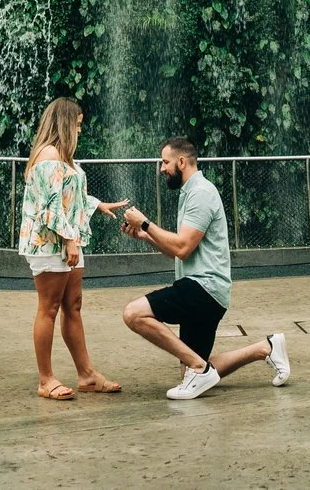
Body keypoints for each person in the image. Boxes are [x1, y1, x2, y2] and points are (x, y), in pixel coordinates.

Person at [117, 137, 291, 400]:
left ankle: (200, 368)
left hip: (203, 288)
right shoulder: (191, 191)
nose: (162, 168)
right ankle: (266, 347)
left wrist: (145, 223)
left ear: (182, 161)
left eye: (165, 162)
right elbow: (177, 251)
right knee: (190, 368)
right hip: (207, 289)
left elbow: (183, 247)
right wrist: (146, 236)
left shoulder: (200, 193)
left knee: (134, 314)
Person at [16, 97, 127, 400]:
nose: (80, 129)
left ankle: (87, 375)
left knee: (73, 307)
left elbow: (68, 196)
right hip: (49, 243)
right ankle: (45, 379)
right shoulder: (50, 155)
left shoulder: (63, 158)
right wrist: (69, 239)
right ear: (64, 122)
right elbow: (48, 208)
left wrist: (96, 204)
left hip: (67, 240)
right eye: (77, 124)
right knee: (49, 308)